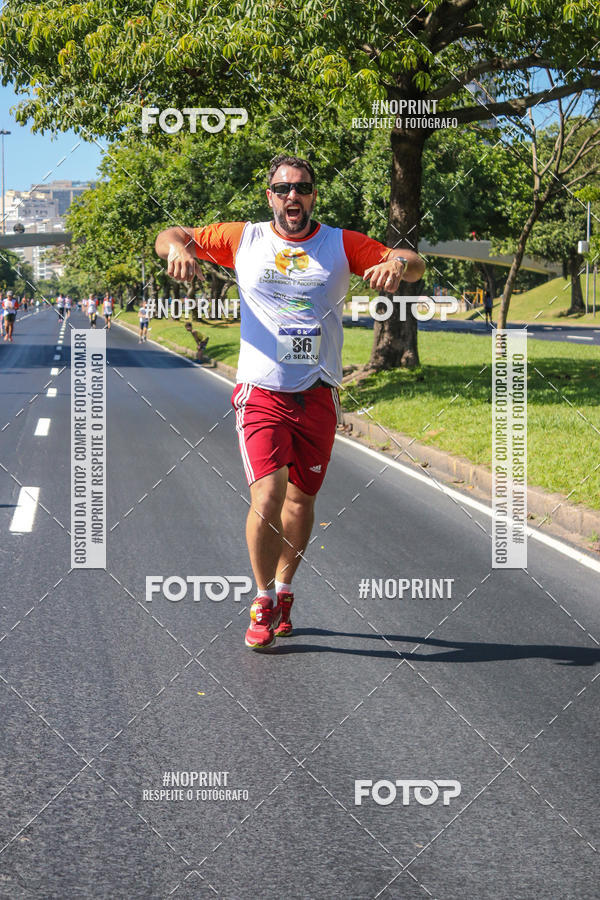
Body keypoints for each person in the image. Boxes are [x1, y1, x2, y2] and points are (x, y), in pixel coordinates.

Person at [155, 154, 425, 651]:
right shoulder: (244, 238)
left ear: (313, 194)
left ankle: (284, 590)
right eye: (282, 189)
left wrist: (393, 261)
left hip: (318, 393)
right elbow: (171, 233)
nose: (292, 197)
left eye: (301, 188)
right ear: (269, 196)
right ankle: (260, 598)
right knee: (269, 496)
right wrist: (178, 250)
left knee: (302, 502)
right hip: (262, 392)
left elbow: (413, 265)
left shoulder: (340, 244)